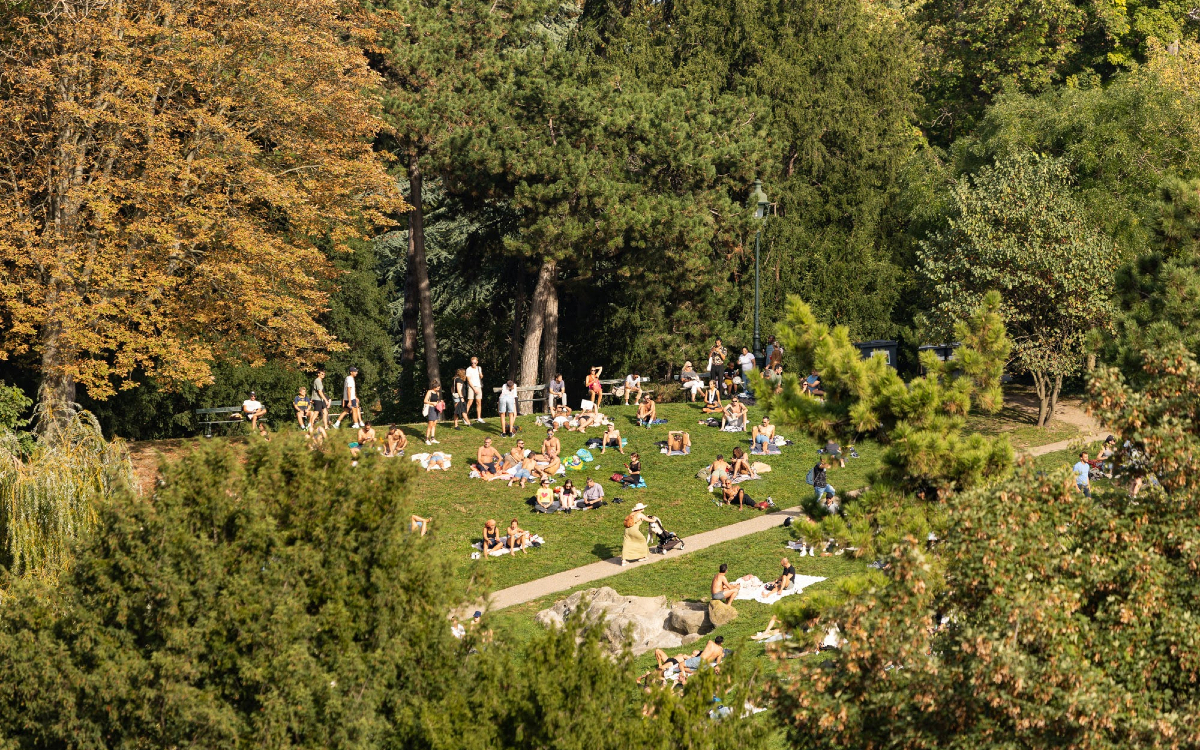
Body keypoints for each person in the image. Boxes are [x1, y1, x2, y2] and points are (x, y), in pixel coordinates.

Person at [465, 356, 485, 423]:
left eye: (475, 363)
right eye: (472, 363)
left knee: (479, 402)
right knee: (470, 402)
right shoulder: (468, 369)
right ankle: (465, 417)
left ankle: (479, 417)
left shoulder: (479, 368)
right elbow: (468, 380)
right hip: (471, 387)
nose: (473, 364)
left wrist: (481, 375)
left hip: (478, 386)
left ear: (477, 362)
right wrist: (474, 388)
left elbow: (481, 376)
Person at [423, 380, 442, 444]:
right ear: (434, 387)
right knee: (430, 424)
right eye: (437, 388)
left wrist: (440, 403)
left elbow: (437, 400)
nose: (438, 389)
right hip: (431, 408)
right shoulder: (430, 392)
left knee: (434, 424)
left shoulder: (437, 393)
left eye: (439, 387)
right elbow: (425, 401)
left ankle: (432, 438)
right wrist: (432, 403)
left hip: (436, 408)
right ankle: (426, 439)